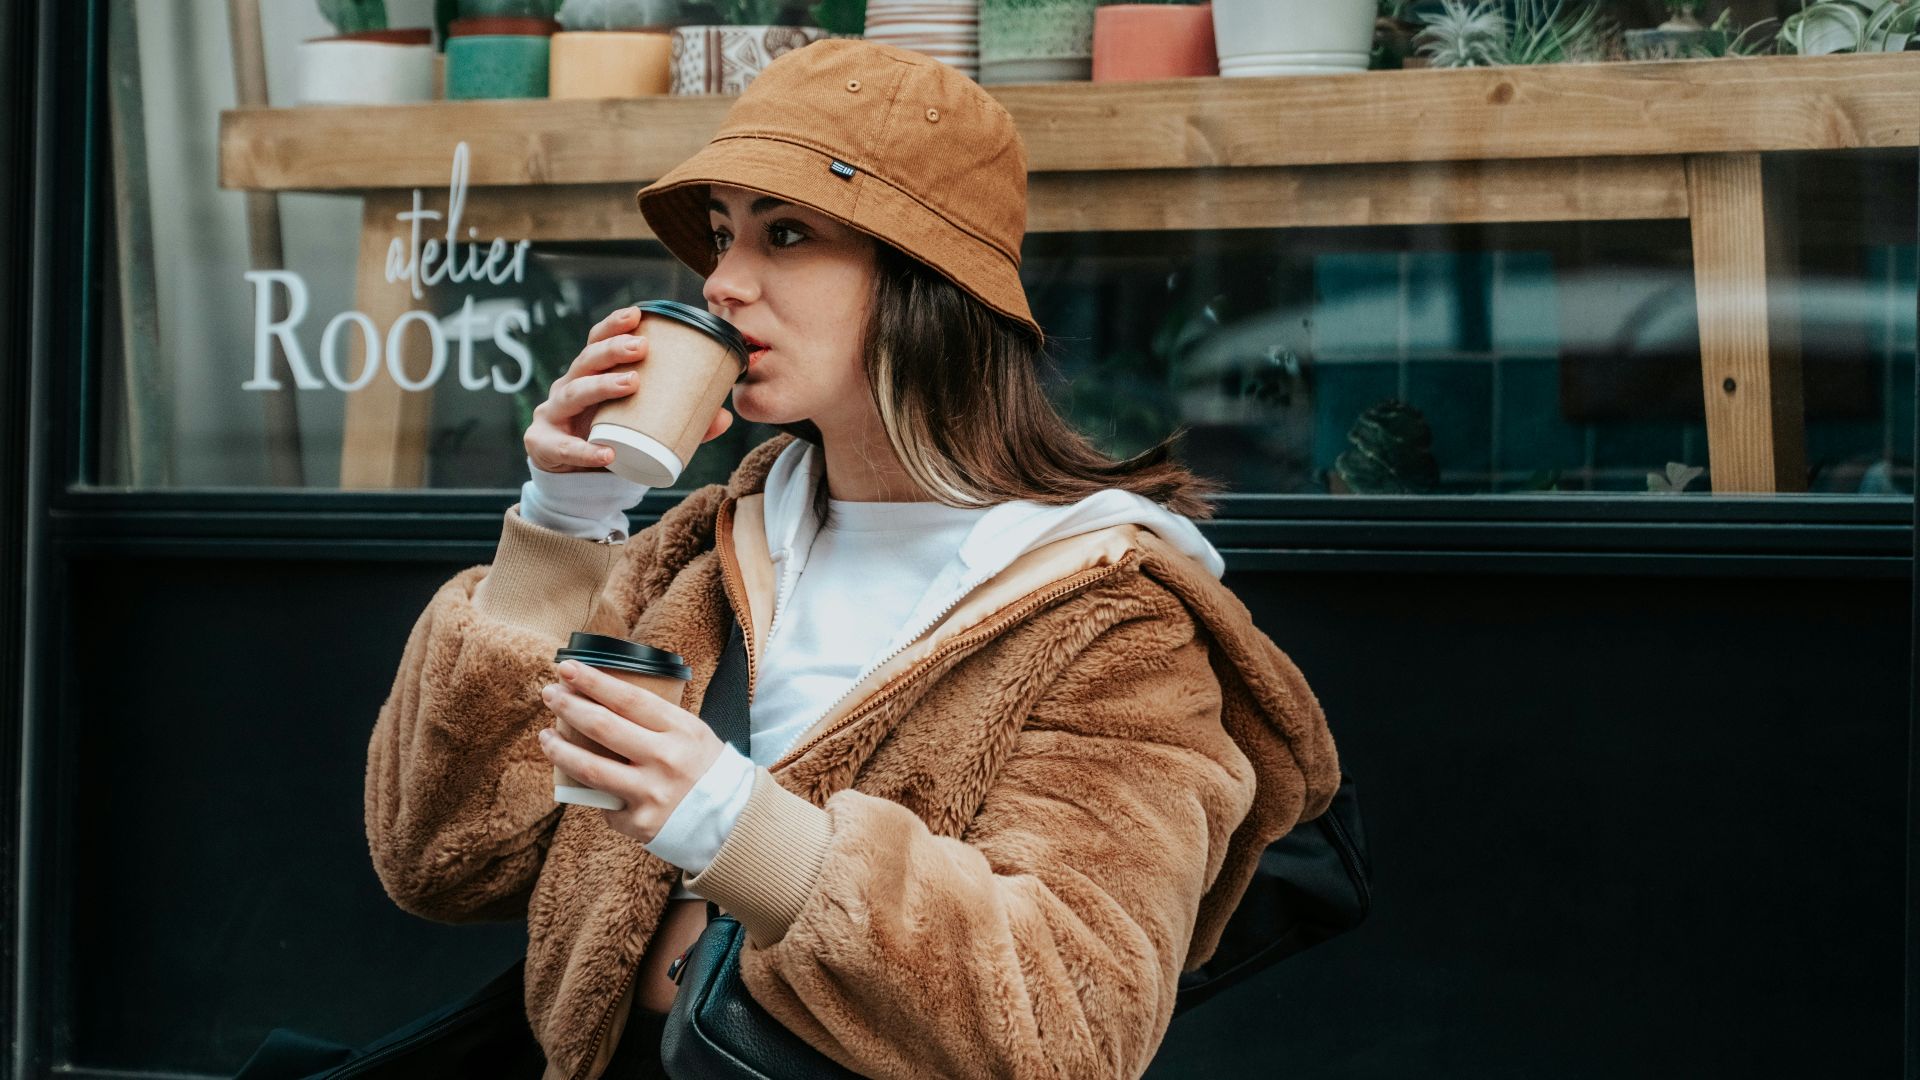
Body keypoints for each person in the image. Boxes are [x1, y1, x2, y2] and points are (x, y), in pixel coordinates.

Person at [364, 38, 1341, 1080]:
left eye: (786, 235)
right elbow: (443, 860)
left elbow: (1068, 1021)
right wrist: (561, 523)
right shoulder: (696, 553)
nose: (725, 283)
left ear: (928, 279)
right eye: (721, 235)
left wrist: (734, 823)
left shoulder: (1107, 617)